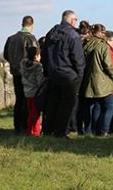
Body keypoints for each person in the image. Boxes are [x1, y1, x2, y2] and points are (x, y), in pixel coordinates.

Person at [42, 10, 85, 138]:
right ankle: (60, 132)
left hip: (53, 73)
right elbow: (78, 56)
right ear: (72, 20)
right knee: (67, 105)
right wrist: (80, 73)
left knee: (53, 103)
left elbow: (44, 53)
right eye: (76, 19)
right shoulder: (72, 34)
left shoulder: (51, 33)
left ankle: (48, 130)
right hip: (68, 74)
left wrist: (46, 71)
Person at [79, 24, 113, 136]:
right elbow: (108, 66)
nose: (105, 34)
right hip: (102, 82)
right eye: (103, 32)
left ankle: (89, 131)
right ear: (99, 33)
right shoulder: (103, 47)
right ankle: (103, 130)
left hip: (88, 81)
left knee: (93, 107)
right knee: (109, 107)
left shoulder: (85, 45)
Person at [3, 15, 38, 135]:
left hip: (15, 72)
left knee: (18, 99)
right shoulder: (31, 38)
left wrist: (14, 64)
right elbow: (35, 55)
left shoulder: (11, 39)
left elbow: (6, 55)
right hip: (27, 73)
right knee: (27, 100)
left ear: (22, 24)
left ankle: (17, 126)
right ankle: (24, 126)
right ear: (31, 25)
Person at [21, 45, 45, 136]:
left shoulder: (23, 64)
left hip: (27, 91)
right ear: (36, 56)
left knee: (30, 112)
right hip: (35, 92)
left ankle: (28, 130)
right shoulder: (38, 66)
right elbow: (40, 81)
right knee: (35, 114)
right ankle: (35, 132)